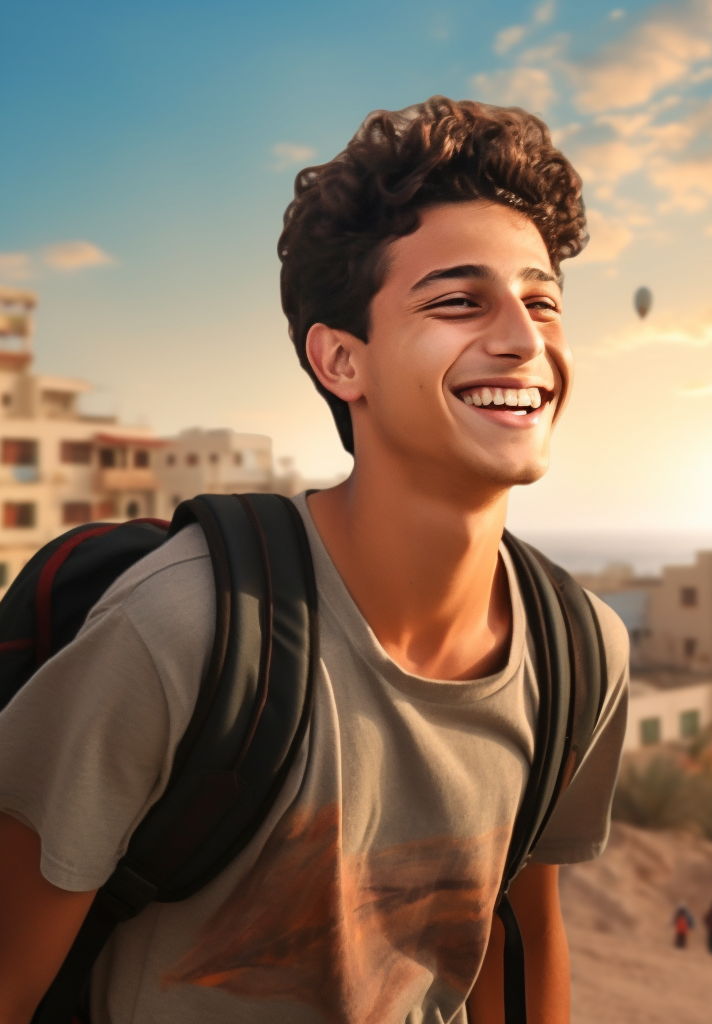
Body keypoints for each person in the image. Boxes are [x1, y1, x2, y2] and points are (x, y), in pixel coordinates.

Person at [0, 98, 630, 1024]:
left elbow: (519, 946)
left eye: (542, 302)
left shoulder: (581, 656)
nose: (525, 339)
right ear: (342, 360)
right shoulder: (180, 633)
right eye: (460, 301)